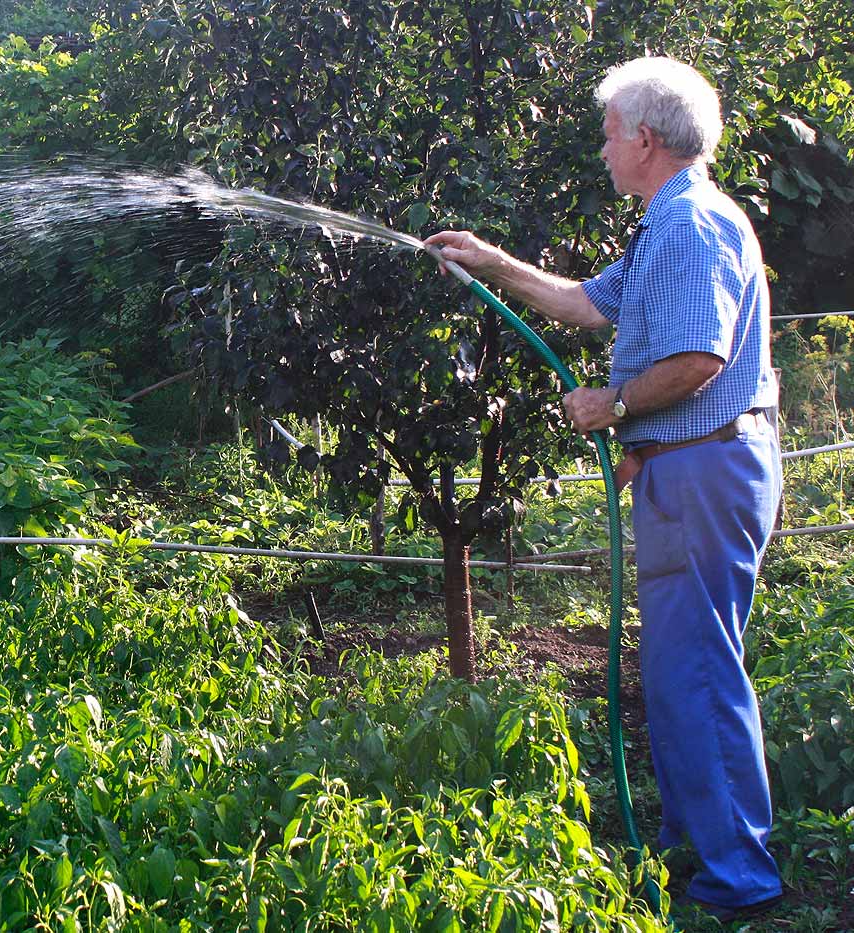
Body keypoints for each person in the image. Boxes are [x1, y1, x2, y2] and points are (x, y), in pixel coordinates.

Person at [425, 57, 784, 922]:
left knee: (698, 671)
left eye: (609, 130)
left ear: (646, 140)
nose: (602, 147)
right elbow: (585, 304)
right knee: (676, 670)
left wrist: (615, 403)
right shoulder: (667, 225)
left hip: (707, 471)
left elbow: (699, 360)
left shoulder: (692, 225)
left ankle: (742, 875)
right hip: (684, 469)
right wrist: (487, 263)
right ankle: (698, 845)